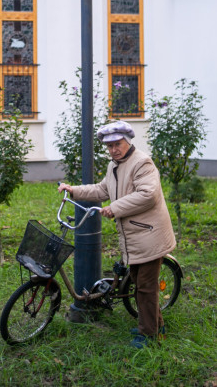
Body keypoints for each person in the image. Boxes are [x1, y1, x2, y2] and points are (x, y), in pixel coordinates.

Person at [58, 120, 177, 348]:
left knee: (145, 287)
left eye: (117, 144)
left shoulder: (142, 163)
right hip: (136, 237)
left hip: (150, 235)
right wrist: (74, 190)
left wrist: (115, 207)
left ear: (128, 141)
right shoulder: (115, 165)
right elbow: (102, 189)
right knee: (140, 284)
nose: (113, 149)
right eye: (109, 146)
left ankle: (148, 335)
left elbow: (148, 195)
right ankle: (155, 325)